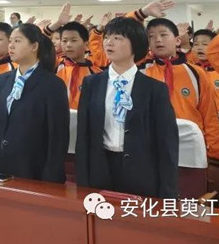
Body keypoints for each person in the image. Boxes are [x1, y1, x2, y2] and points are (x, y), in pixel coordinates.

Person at [76, 17, 179, 198]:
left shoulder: (154, 89)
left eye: (118, 38)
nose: (109, 42)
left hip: (141, 173)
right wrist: (83, 181)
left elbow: (166, 143)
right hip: (100, 168)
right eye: (107, 37)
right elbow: (84, 135)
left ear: (135, 44)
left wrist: (168, 192)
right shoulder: (92, 83)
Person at [0, 23, 69, 183]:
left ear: (34, 46)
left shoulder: (52, 84)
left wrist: (51, 176)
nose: (11, 45)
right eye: (10, 41)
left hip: (34, 170)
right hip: (1, 168)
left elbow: (58, 135)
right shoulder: (3, 80)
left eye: (17, 41)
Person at [142, 18, 219, 161]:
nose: (158, 40)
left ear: (177, 41)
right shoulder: (141, 71)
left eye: (163, 35)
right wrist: (142, 13)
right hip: (151, 146)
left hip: (191, 145)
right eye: (151, 36)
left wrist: (215, 156)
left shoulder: (196, 73)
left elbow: (209, 115)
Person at [56, 21, 101, 109]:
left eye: (73, 40)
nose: (68, 45)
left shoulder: (96, 74)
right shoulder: (56, 66)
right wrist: (57, 24)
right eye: (64, 41)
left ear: (86, 45)